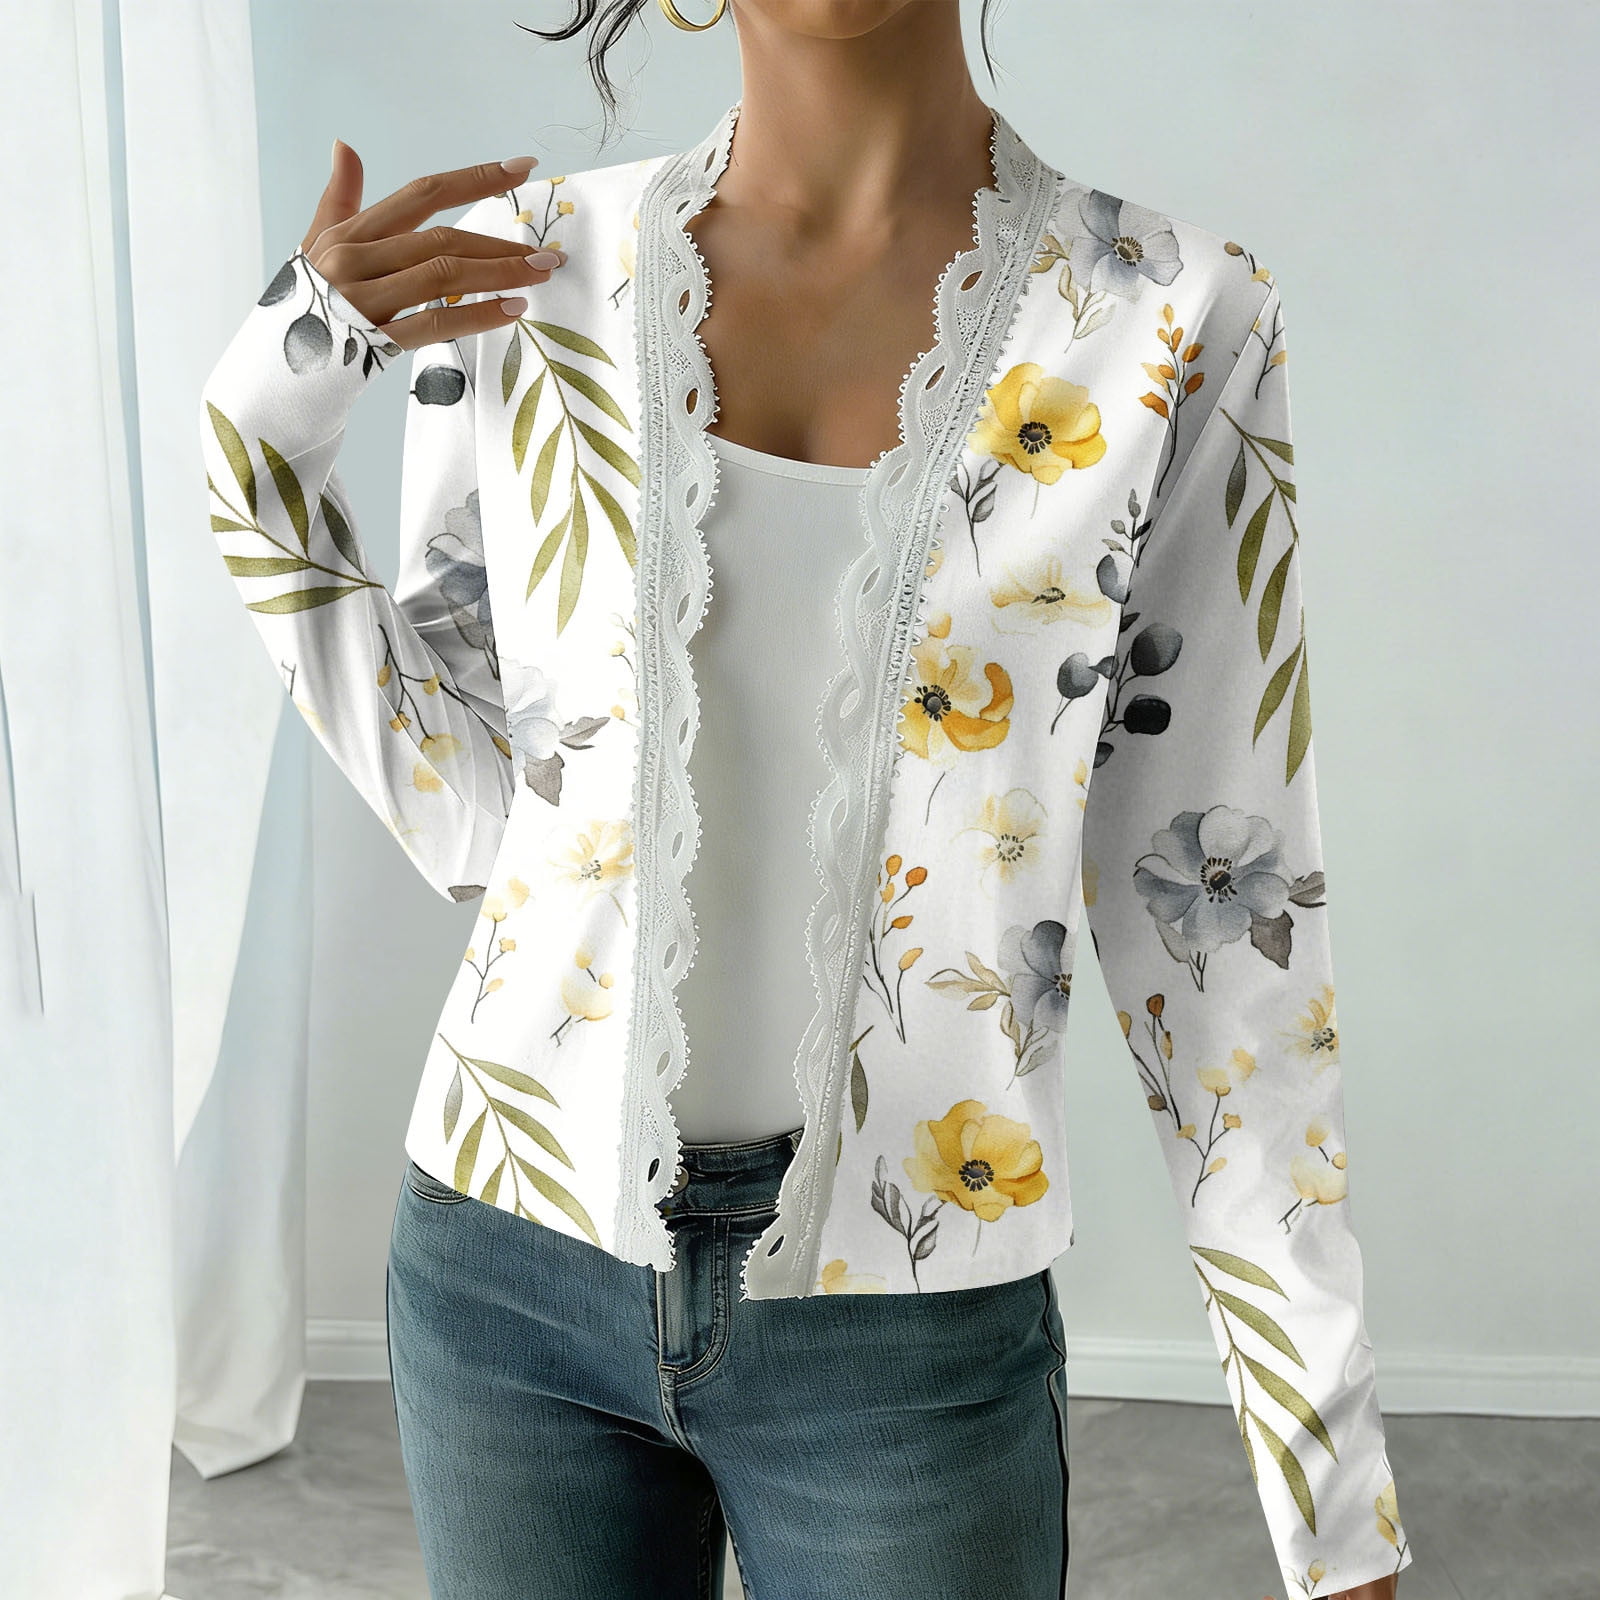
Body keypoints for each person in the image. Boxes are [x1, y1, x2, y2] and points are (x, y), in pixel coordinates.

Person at [197, 2, 1411, 1596]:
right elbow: (483, 817)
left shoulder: (1169, 314)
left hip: (910, 1331)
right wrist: (273, 400)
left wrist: (1327, 1481)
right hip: (506, 1278)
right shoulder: (529, 275)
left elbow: (1218, 922)